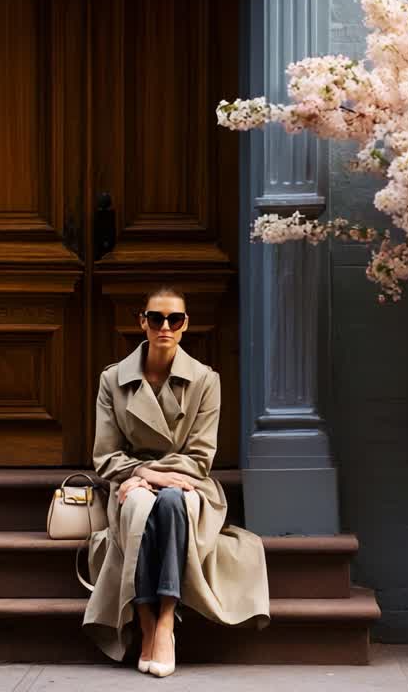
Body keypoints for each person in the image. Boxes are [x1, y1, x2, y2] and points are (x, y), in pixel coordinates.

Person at [82, 286, 269, 676]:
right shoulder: (113, 380)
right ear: (142, 322)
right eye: (155, 318)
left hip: (188, 482)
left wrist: (160, 475)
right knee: (138, 505)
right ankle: (145, 620)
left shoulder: (205, 380)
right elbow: (105, 454)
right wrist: (141, 474)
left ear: (185, 326)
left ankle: (165, 618)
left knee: (170, 502)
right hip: (129, 482)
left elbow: (200, 456)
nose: (164, 326)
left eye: (174, 319)